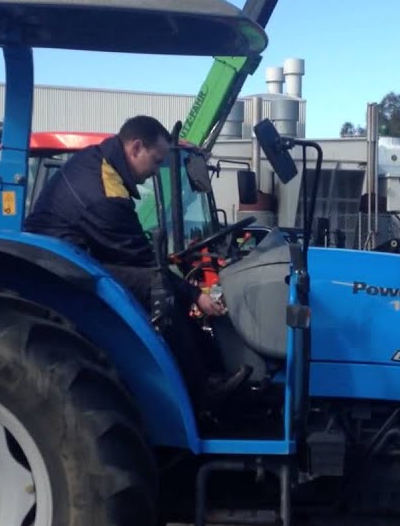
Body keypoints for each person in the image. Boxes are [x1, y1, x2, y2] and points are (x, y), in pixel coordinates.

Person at [24, 115, 246, 406]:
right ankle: (201, 389)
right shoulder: (106, 195)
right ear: (136, 148)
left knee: (161, 282)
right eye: (156, 162)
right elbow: (145, 263)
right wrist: (195, 295)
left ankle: (213, 372)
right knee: (158, 285)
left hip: (74, 255)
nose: (153, 173)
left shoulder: (99, 160)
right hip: (61, 269)